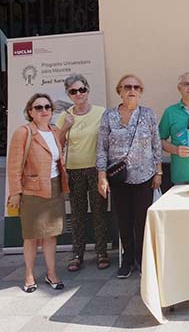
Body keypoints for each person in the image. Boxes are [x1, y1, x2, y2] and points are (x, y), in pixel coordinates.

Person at [96, 74, 162, 279]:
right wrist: (101, 176)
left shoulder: (148, 114)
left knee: (141, 220)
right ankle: (127, 259)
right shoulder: (109, 116)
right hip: (118, 178)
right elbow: (102, 148)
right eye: (127, 87)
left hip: (144, 176)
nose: (132, 90)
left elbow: (156, 143)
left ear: (140, 92)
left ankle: (142, 259)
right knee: (123, 220)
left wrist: (159, 171)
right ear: (120, 91)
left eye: (136, 87)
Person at [7, 93, 68, 292]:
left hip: (54, 188)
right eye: (38, 107)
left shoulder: (54, 130)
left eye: (47, 107)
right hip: (32, 191)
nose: (44, 111)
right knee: (31, 236)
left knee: (51, 235)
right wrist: (15, 192)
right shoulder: (23, 132)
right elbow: (14, 166)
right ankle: (29, 274)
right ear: (30, 112)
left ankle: (51, 274)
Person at [56, 74, 110, 272]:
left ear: (87, 90)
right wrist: (65, 127)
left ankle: (101, 252)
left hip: (97, 169)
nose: (78, 94)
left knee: (99, 212)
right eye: (73, 91)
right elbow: (57, 143)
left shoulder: (101, 112)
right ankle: (77, 253)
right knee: (77, 215)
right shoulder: (65, 116)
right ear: (69, 95)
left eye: (81, 89)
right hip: (73, 170)